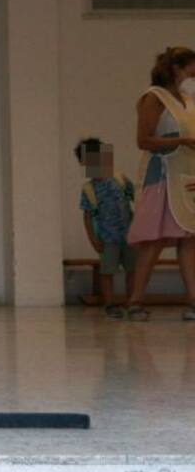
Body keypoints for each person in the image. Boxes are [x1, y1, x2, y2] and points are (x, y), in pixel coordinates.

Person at [125, 47, 195, 321]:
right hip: (161, 177)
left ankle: (193, 300)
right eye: (191, 71)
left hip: (186, 178)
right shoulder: (154, 97)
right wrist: (180, 141)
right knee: (153, 241)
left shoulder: (188, 100)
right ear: (176, 69)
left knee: (189, 240)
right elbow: (144, 140)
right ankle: (135, 301)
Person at [74, 137, 136, 318]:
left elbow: (136, 198)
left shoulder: (120, 179)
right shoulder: (88, 189)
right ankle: (109, 304)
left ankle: (131, 301)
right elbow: (87, 216)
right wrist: (93, 239)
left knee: (132, 269)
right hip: (107, 239)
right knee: (107, 271)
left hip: (129, 235)